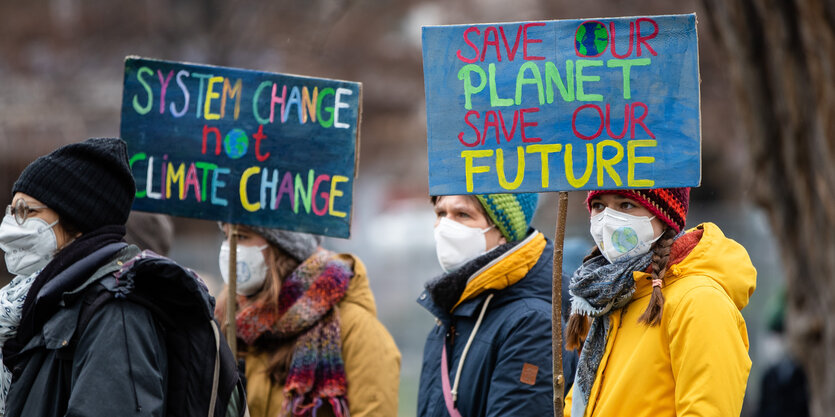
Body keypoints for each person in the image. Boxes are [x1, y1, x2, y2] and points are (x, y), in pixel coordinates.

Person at [0, 138, 243, 416]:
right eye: (11, 210)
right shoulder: (50, 302)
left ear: (76, 219)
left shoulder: (117, 314)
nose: (10, 226)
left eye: (26, 211)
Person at [563, 188, 757, 417]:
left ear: (664, 216)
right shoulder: (611, 296)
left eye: (625, 205)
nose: (606, 219)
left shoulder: (700, 302)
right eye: (598, 206)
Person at [215, 224, 401, 417]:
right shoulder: (229, 322)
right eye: (226, 236)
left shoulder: (358, 332)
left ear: (284, 246)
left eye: (242, 236)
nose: (229, 247)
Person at [417, 193, 555, 417]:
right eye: (441, 213)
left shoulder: (532, 323)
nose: (445, 226)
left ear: (503, 231)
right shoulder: (451, 310)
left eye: (463, 214)